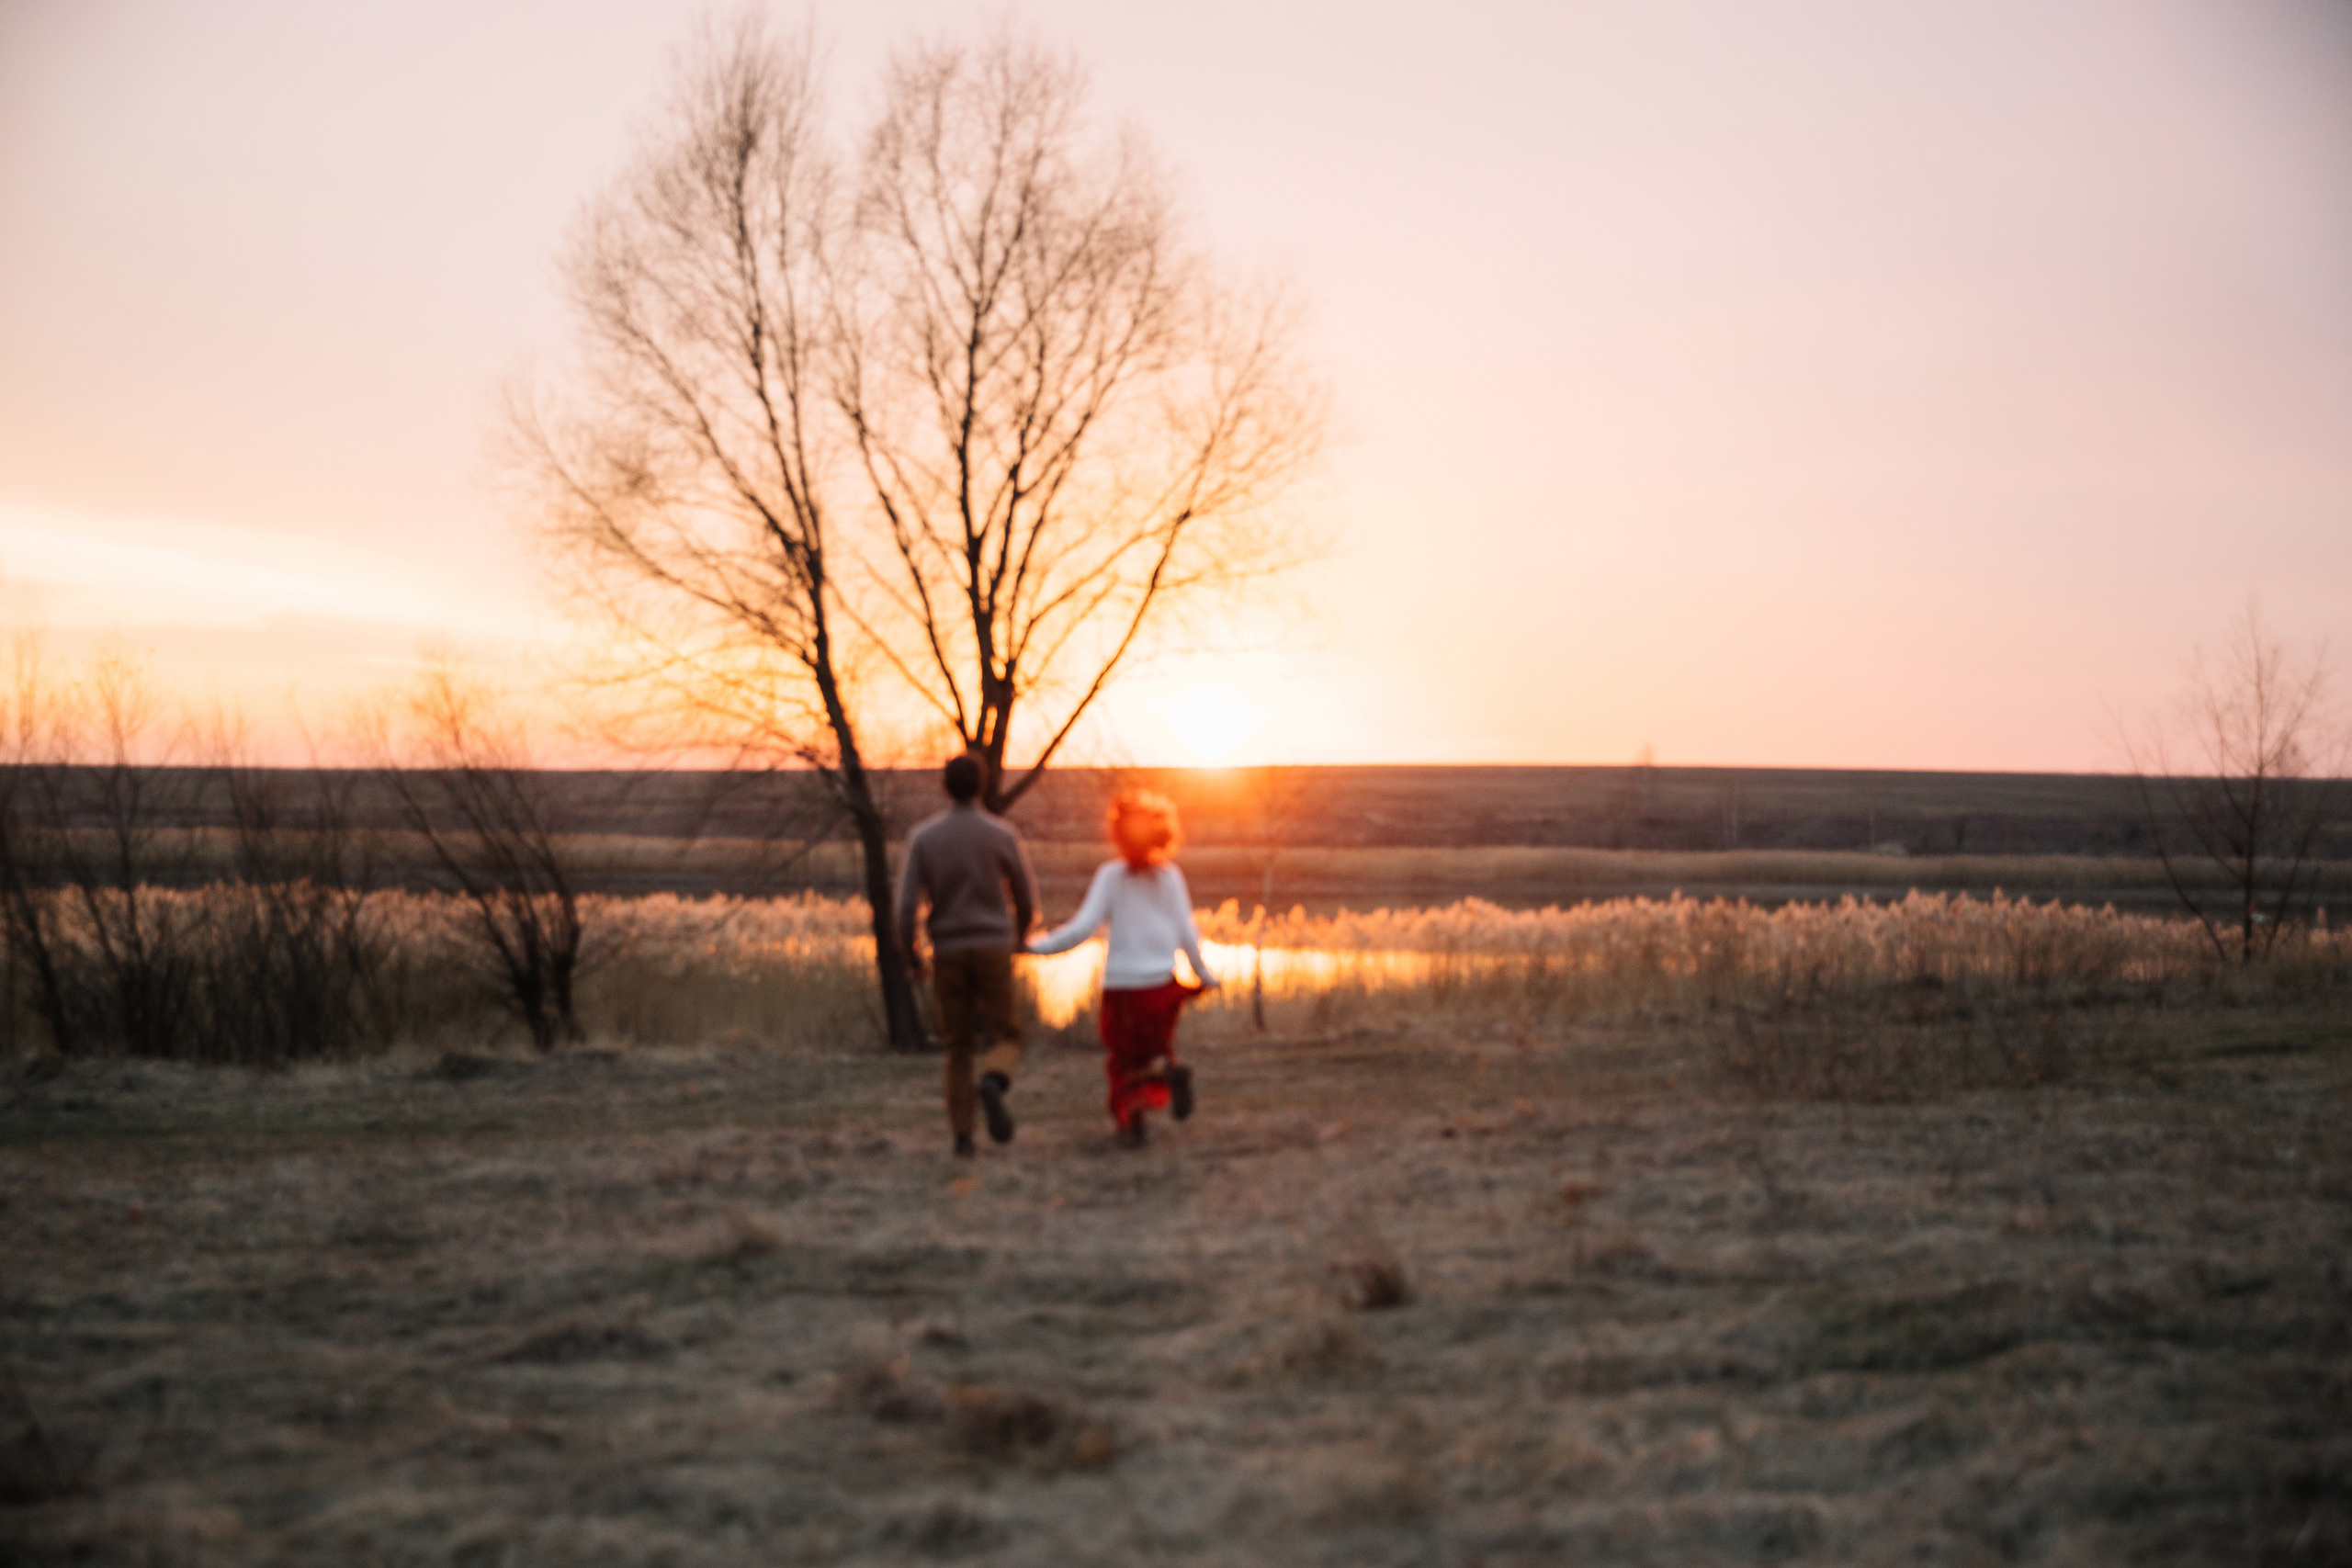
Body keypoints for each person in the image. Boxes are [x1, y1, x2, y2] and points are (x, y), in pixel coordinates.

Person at [1026, 789, 1217, 1146]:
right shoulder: (1171, 876)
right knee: (1153, 1049)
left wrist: (1034, 948)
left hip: (1123, 986)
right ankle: (1165, 1075)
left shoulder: (1111, 875)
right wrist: (1204, 974)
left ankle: (1133, 1124)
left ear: (1117, 833)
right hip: (1161, 983)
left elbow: (1082, 928)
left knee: (1125, 1060)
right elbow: (1186, 932)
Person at [896, 753, 1040, 1157]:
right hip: (994, 946)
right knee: (1006, 1033)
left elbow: (905, 909)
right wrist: (1021, 936)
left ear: (945, 787)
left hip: (948, 951)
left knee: (958, 1045)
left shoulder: (924, 838)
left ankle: (963, 1136)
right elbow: (1026, 897)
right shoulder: (1002, 834)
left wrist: (911, 958)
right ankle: (994, 1081)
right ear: (981, 785)